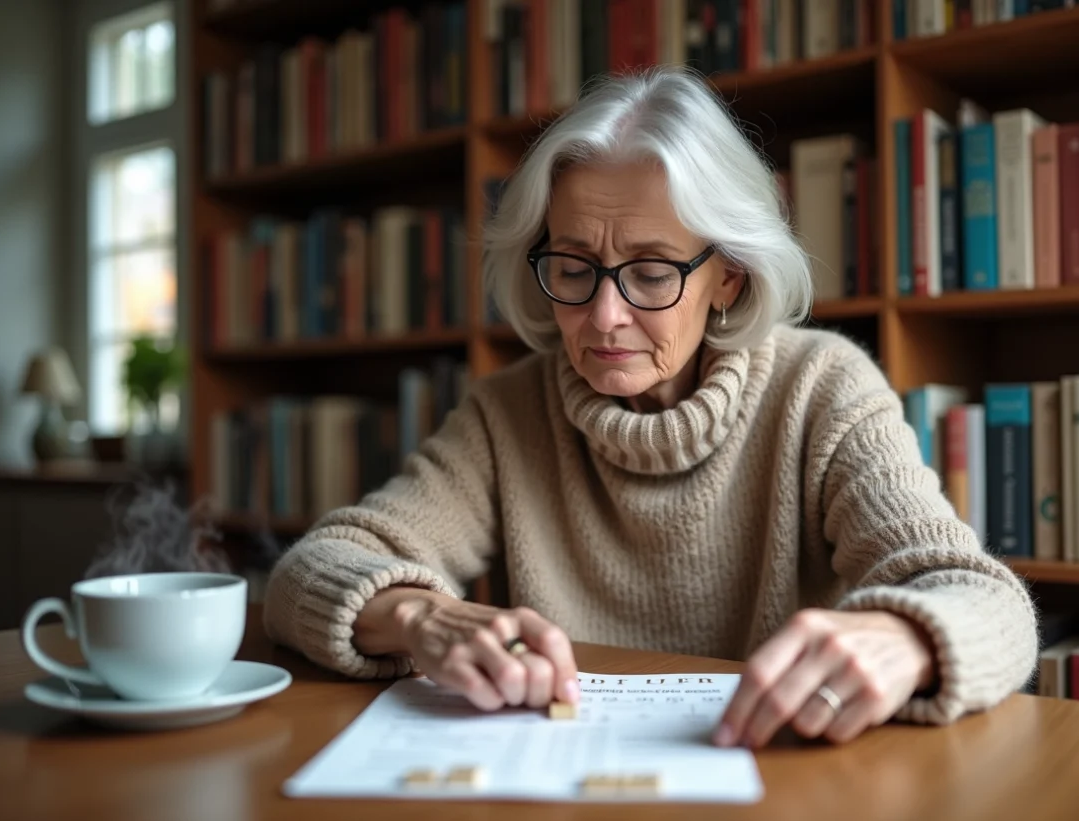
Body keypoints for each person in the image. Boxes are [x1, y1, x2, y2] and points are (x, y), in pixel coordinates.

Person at [264, 65, 1038, 748]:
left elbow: (988, 602)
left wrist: (903, 636)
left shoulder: (822, 389)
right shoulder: (509, 412)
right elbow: (308, 572)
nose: (604, 317)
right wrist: (417, 617)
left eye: (652, 271)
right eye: (573, 266)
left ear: (728, 276)